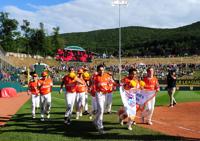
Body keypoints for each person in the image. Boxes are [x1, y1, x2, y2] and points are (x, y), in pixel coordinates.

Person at [93, 64, 112, 134]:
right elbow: (93, 85)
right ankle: (100, 127)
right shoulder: (95, 77)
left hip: (105, 94)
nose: (101, 71)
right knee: (101, 109)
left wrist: (111, 86)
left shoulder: (107, 76)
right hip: (99, 94)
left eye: (102, 70)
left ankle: (95, 121)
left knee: (101, 110)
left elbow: (111, 82)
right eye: (100, 70)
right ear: (97, 71)